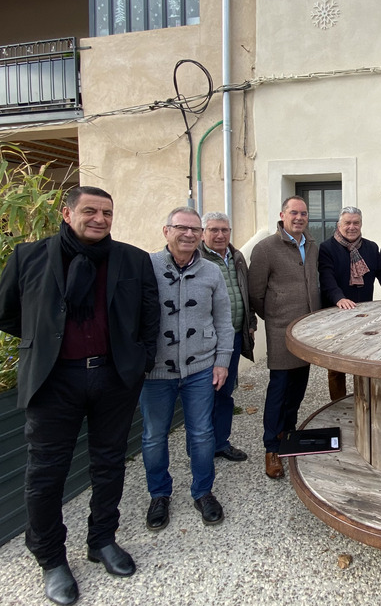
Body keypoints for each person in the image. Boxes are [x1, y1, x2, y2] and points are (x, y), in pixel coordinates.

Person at [0, 186, 159, 606]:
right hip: (53, 383)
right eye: (90, 211)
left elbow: (149, 314)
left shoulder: (133, 259)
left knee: (109, 465)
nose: (99, 219)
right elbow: (6, 314)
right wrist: (46, 345)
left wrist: (140, 359)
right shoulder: (28, 257)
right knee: (46, 475)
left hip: (113, 379)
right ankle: (51, 559)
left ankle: (102, 540)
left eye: (107, 211)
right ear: (67, 213)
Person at [140, 207, 234, 532]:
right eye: (182, 227)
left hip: (200, 367)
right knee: (154, 437)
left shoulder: (211, 272)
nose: (189, 234)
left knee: (203, 433)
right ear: (166, 230)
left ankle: (203, 491)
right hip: (155, 372)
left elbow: (223, 318)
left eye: (195, 229)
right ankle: (159, 494)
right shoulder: (147, 267)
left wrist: (222, 360)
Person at [249, 196, 321, 479]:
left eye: (303, 213)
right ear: (282, 215)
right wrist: (274, 315)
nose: (299, 218)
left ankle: (288, 435)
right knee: (279, 388)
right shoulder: (266, 248)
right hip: (281, 330)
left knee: (299, 387)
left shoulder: (312, 245)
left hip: (307, 331)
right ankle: (271, 448)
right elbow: (256, 292)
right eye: (294, 213)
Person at [319, 207, 381, 400]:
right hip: (336, 314)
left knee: (363, 361)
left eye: (356, 223)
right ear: (339, 225)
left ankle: (364, 401)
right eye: (348, 223)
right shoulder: (327, 248)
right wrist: (339, 298)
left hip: (364, 315)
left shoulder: (371, 248)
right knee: (336, 367)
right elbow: (326, 278)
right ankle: (338, 404)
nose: (352, 227)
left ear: (361, 224)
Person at [200, 211, 256, 462]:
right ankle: (200, 447)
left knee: (224, 393)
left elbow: (245, 292)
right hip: (204, 340)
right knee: (203, 394)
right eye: (214, 230)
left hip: (232, 336)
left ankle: (220, 442)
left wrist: (250, 323)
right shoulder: (196, 257)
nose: (220, 235)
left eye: (225, 230)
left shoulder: (236, 256)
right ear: (203, 233)